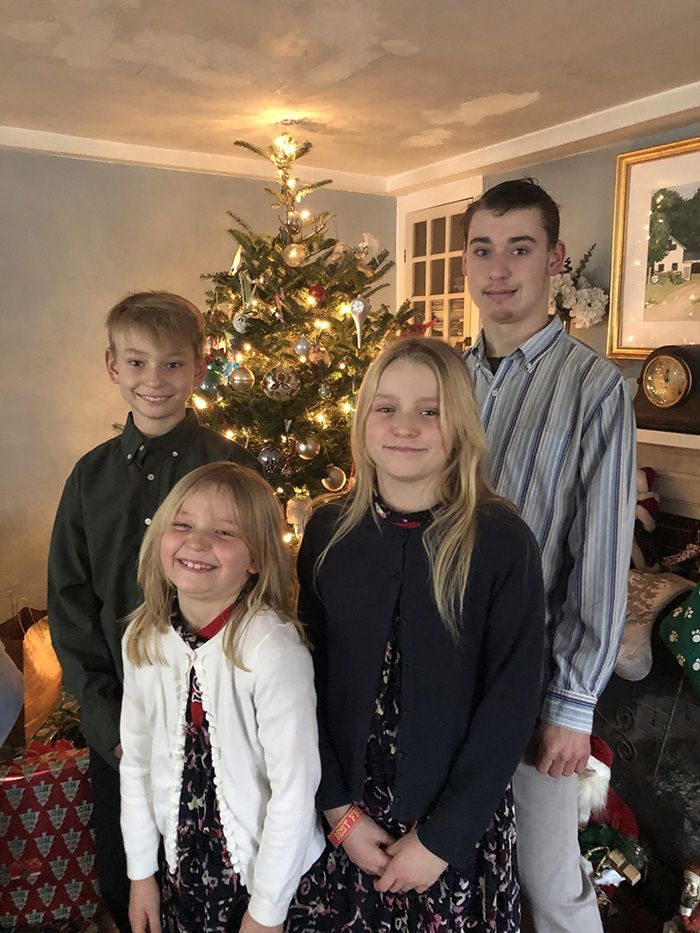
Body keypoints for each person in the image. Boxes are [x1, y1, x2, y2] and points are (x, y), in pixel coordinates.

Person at [286, 337, 545, 932]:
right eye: (387, 407)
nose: (406, 426)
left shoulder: (501, 541)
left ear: (460, 425)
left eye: (430, 410)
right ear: (363, 419)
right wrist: (337, 811)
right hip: (345, 817)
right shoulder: (328, 532)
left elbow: (511, 701)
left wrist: (442, 838)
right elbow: (304, 682)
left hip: (452, 830)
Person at [48, 291, 260, 931]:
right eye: (137, 363)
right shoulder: (89, 478)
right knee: (128, 881)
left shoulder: (234, 471)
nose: (154, 381)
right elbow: (70, 603)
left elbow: (259, 592)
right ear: (112, 366)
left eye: (172, 365)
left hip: (214, 722)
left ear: (200, 367)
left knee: (220, 879)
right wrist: (106, 719)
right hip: (122, 728)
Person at [462, 178, 636, 933]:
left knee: (548, 876)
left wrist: (572, 706)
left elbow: (599, 556)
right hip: (441, 669)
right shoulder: (441, 381)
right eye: (483, 248)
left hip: (530, 681)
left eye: (520, 248)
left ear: (555, 259)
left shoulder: (595, 388)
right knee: (451, 861)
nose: (499, 268)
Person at [120, 462, 324, 932]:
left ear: (256, 558)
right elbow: (137, 762)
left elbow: (293, 790)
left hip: (264, 878)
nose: (197, 542)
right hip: (183, 867)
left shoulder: (271, 648)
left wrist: (266, 912)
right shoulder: (144, 637)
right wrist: (141, 875)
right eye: (184, 524)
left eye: (225, 532)